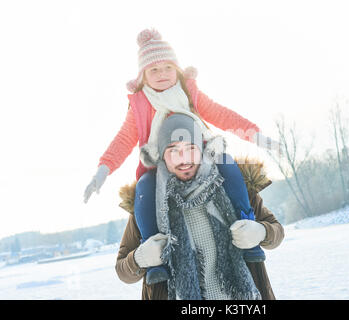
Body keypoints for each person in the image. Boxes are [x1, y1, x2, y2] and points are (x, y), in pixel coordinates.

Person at [83, 28, 280, 283]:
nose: (162, 74)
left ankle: (245, 225)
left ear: (177, 68)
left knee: (229, 166)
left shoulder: (188, 92)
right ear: (143, 75)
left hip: (207, 152)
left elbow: (222, 115)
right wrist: (102, 171)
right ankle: (156, 254)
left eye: (167, 67)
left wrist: (256, 135)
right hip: (157, 165)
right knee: (144, 189)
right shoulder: (141, 104)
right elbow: (123, 140)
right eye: (153, 70)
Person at [115, 114, 284, 300]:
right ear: (161, 156)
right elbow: (122, 270)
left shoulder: (234, 187)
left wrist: (261, 232)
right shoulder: (147, 206)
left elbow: (277, 232)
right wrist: (140, 259)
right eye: (173, 150)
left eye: (190, 148)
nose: (184, 158)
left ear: (202, 149)